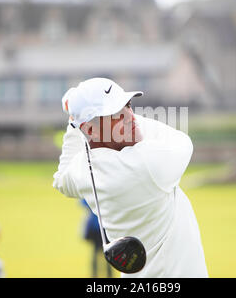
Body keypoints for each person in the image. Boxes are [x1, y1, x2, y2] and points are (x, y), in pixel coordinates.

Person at [53, 78, 208, 277]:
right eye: (116, 113)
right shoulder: (147, 164)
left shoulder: (82, 170)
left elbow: (61, 179)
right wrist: (75, 120)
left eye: (127, 105)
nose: (130, 116)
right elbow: (183, 142)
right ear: (91, 130)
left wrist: (74, 121)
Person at [81, 199, 112, 278]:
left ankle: (94, 275)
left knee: (97, 252)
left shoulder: (91, 192)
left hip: (95, 227)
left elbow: (83, 203)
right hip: (104, 227)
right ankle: (109, 275)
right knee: (108, 253)